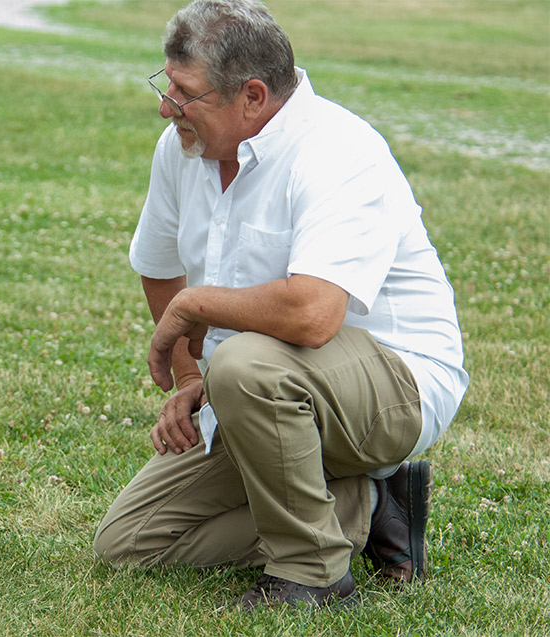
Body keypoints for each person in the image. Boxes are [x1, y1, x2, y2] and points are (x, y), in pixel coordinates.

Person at [93, 0, 468, 611]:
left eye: (184, 92)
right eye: (166, 83)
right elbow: (158, 266)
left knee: (243, 365)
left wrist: (198, 309)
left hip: (399, 382)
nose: (166, 107)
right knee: (129, 542)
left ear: (253, 97)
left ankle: (312, 573)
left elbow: (313, 315)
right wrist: (191, 379)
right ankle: (365, 506)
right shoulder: (181, 147)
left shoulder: (338, 151)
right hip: (273, 386)